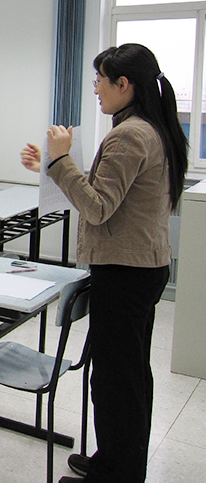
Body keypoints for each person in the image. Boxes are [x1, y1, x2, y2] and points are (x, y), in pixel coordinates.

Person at [20, 44, 187, 483]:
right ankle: (113, 460)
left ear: (123, 84)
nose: (95, 89)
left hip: (126, 273)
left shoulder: (130, 134)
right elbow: (105, 192)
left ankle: (118, 472)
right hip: (139, 267)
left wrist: (61, 160)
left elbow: (96, 207)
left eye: (99, 80)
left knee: (118, 381)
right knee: (122, 375)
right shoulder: (149, 128)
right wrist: (52, 165)